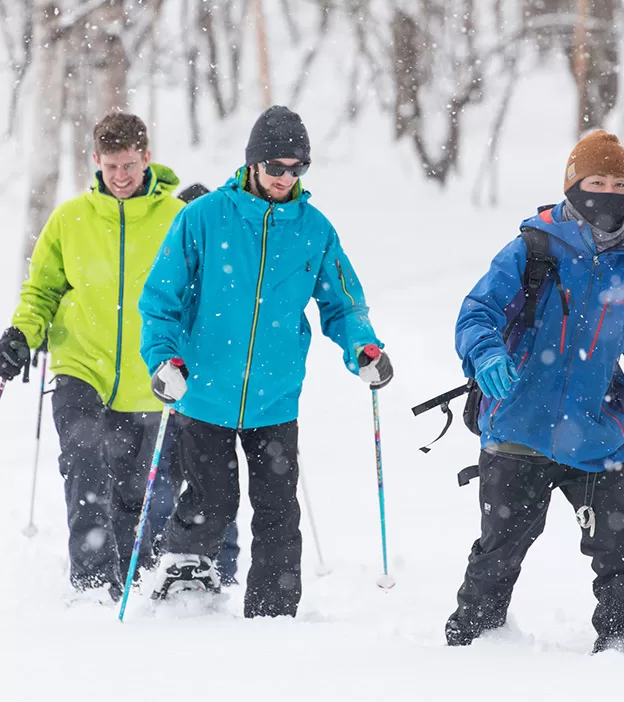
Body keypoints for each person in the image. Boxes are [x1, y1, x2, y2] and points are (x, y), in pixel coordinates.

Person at [138, 105, 393, 618]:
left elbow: (343, 303)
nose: (285, 178)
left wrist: (363, 347)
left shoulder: (314, 230)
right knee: (212, 500)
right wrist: (164, 358)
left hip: (275, 396)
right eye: (276, 167)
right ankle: (181, 570)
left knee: (278, 510)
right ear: (253, 164)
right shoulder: (204, 218)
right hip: (204, 390)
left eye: (297, 168)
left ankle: (274, 613)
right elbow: (160, 300)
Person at [445, 130, 624, 653]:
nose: (608, 192)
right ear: (572, 185)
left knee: (623, 552)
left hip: (598, 441)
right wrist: (486, 353)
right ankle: (469, 649)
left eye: (620, 183)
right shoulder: (531, 251)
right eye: (596, 181)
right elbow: (477, 314)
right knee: (497, 556)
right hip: (517, 432)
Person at [0, 112, 184, 601]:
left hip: (148, 376)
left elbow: (198, 293)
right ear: (95, 161)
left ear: (147, 158)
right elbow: (41, 290)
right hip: (81, 363)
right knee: (85, 466)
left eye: (129, 165)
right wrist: (20, 334)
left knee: (134, 492)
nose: (120, 177)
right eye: (110, 166)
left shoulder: (176, 220)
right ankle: (91, 583)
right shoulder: (70, 219)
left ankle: (134, 580)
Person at [146, 181, 241, 586]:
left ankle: (222, 564)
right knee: (166, 482)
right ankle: (163, 562)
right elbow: (155, 312)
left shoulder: (229, 262)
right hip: (172, 389)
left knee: (213, 485)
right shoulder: (171, 255)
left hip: (211, 396)